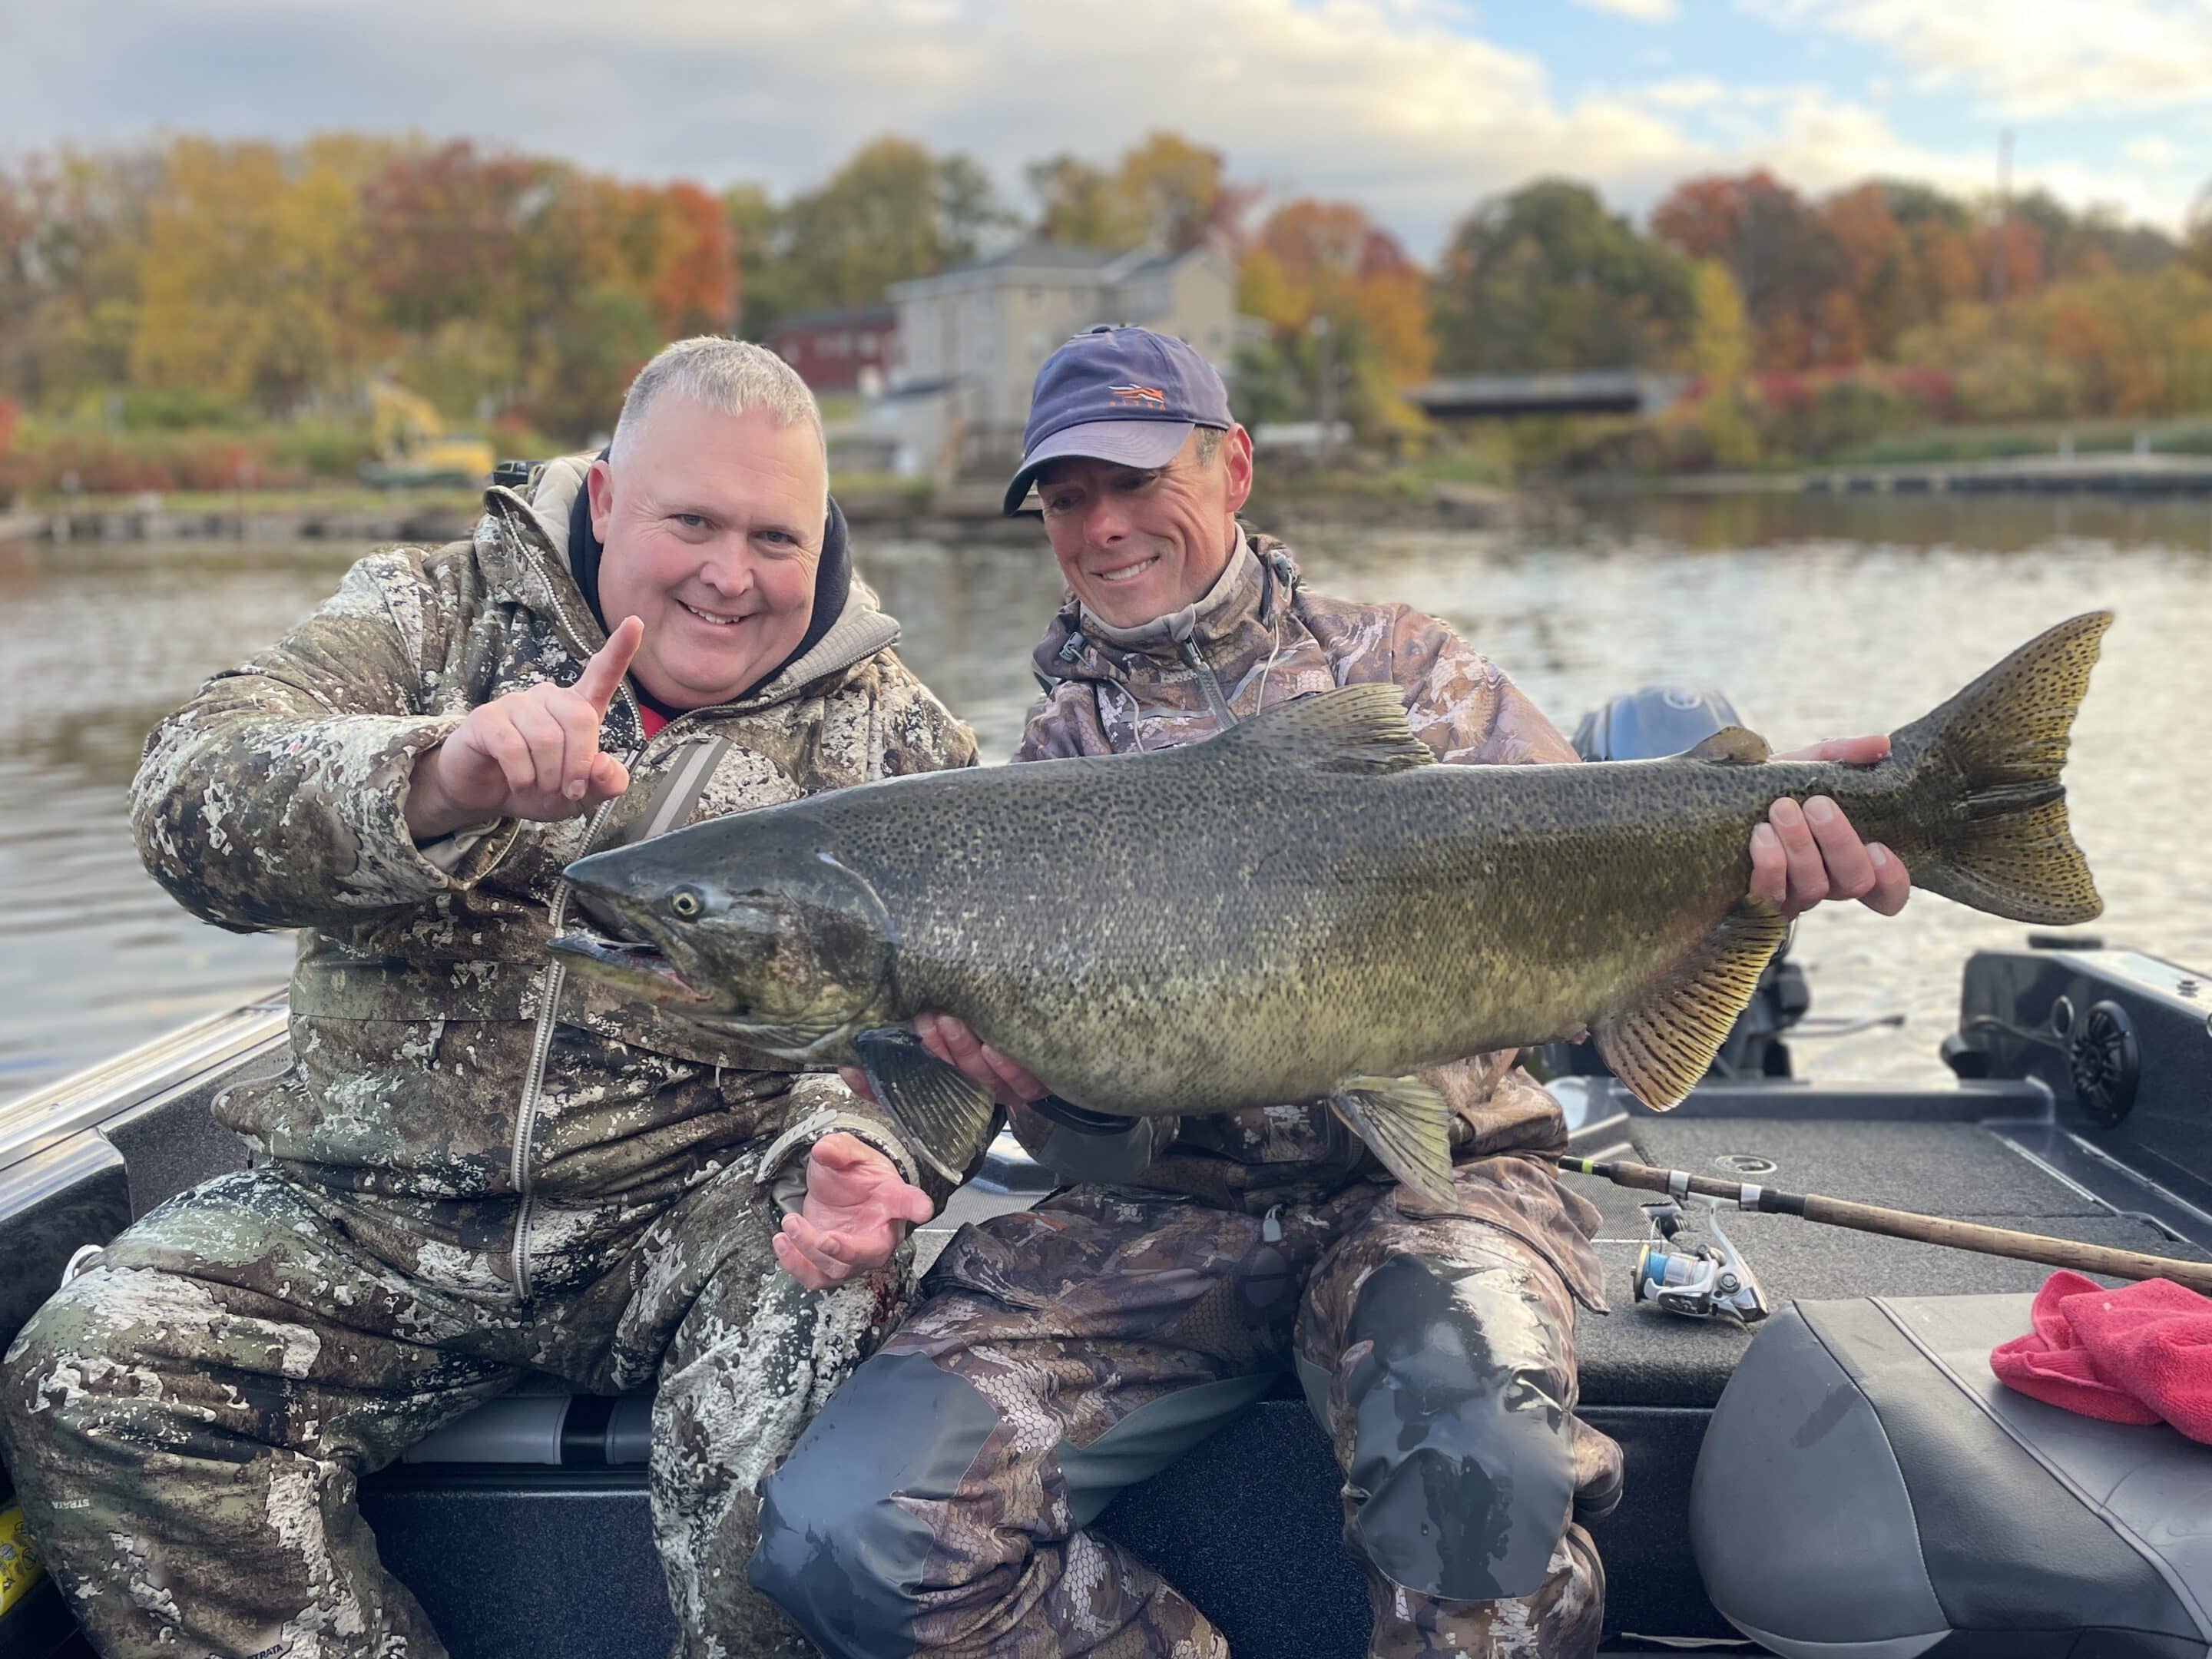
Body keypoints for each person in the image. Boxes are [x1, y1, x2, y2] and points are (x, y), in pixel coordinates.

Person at [748, 325, 1910, 1658]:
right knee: (848, 1532)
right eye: (1070, 498)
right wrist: (1017, 1094)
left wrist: (1766, 852)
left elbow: (1615, 854)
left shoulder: (1414, 674)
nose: (1106, 525)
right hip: (1155, 1216)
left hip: (1441, 1181)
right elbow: (1065, 1135)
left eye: (1139, 479)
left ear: (1233, 465)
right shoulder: (1042, 767)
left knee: (1486, 1476)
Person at [0, 338, 968, 1659]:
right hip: (370, 1216)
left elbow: (946, 1045)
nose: (730, 575)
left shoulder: (897, 744)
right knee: (90, 1379)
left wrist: (865, 1147)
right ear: (611, 499)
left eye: (775, 537)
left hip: (691, 1213)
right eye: (691, 521)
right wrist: (435, 780)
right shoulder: (425, 618)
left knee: (827, 1301)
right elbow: (188, 795)